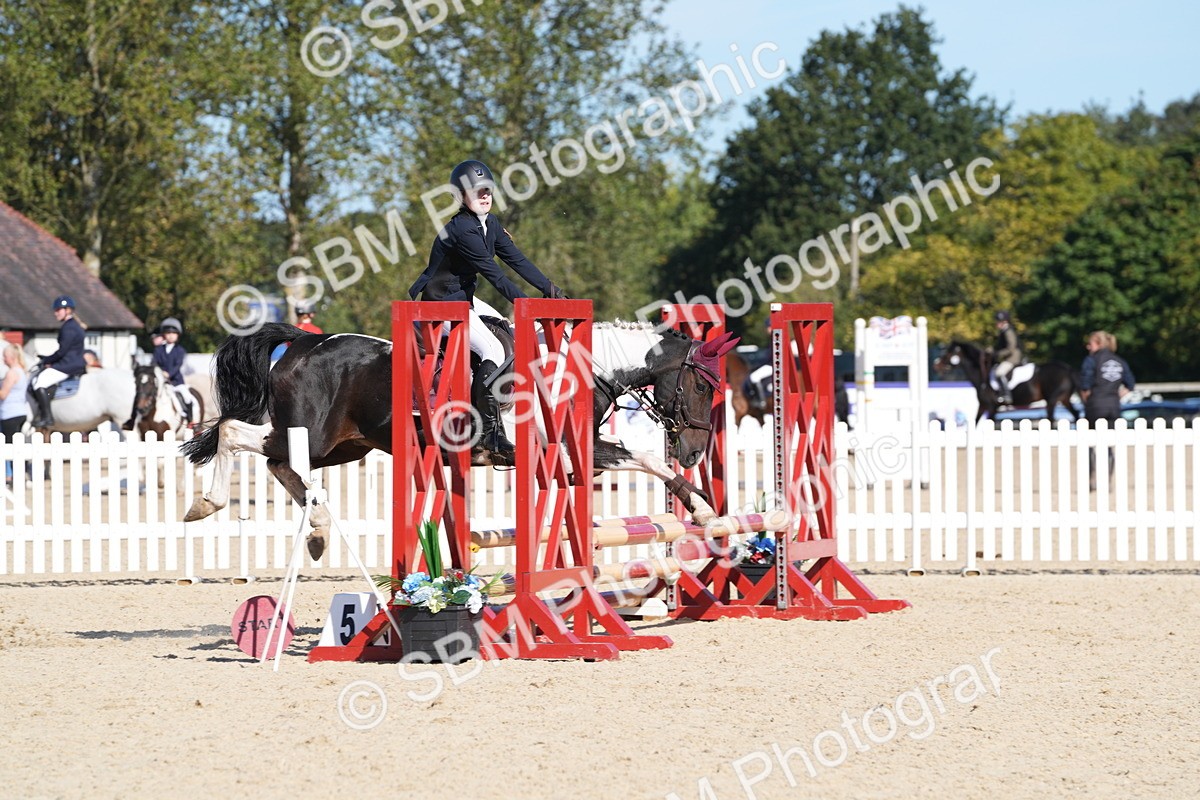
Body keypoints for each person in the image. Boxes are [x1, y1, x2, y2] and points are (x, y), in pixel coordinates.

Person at [407, 160, 567, 462]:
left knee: (505, 329)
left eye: (487, 190)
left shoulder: (490, 224)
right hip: (440, 304)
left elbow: (516, 261)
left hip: (463, 297)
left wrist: (551, 290)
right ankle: (488, 432)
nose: (484, 196)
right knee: (493, 346)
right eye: (476, 191)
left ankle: (487, 403)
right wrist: (526, 304)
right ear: (462, 196)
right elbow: (494, 274)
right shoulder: (463, 230)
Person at [1080, 330, 1135, 490]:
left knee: (1090, 444)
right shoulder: (1119, 361)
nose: (1088, 347)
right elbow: (1130, 384)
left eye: (1090, 343)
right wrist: (1116, 396)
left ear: (1097, 343)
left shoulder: (1092, 360)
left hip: (1095, 405)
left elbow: (1085, 385)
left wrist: (1088, 399)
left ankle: (1091, 481)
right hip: (1113, 406)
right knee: (1109, 445)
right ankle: (1108, 481)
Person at [29, 295, 87, 428]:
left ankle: (47, 417)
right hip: (73, 362)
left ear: (67, 310)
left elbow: (62, 351)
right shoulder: (74, 325)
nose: (55, 313)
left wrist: (46, 361)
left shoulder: (68, 327)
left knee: (37, 382)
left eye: (58, 310)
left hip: (68, 365)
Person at [1, 344, 30, 484]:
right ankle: (20, 475)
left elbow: (3, 394)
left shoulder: (12, 373)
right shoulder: (22, 371)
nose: (3, 359)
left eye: (4, 356)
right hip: (20, 412)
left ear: (10, 357)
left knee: (10, 447)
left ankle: (12, 477)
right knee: (18, 445)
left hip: (9, 414)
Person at [991, 310, 1023, 405]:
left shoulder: (1008, 331)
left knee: (999, 373)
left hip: (1012, 358)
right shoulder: (1003, 331)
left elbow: (1011, 348)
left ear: (1004, 322)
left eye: (998, 321)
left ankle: (1006, 394)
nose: (996, 324)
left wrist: (998, 354)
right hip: (1009, 357)